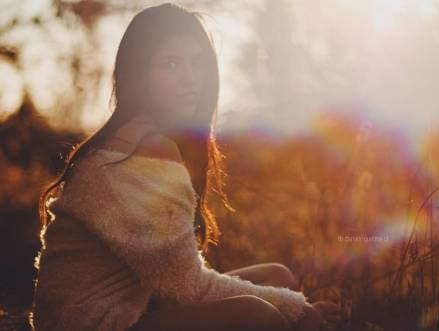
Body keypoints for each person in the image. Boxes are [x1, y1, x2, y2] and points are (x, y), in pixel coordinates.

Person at [30, 3, 339, 331]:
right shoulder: (141, 147)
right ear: (139, 73)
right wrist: (299, 310)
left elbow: (175, 282)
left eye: (197, 63)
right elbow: (187, 289)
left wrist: (291, 304)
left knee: (277, 277)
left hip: (135, 303)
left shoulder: (145, 135)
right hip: (93, 322)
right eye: (171, 64)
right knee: (260, 315)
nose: (190, 79)